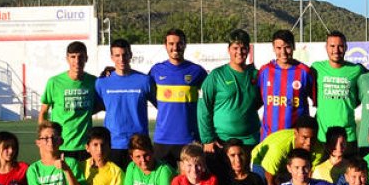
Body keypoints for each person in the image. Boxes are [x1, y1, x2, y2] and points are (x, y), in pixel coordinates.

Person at [197, 29, 261, 162]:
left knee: (249, 180)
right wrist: (208, 139)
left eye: (243, 48)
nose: (239, 52)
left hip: (251, 141)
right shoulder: (217, 75)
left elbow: (259, 102)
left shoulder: (256, 75)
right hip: (222, 141)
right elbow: (204, 108)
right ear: (229, 50)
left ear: (248, 49)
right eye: (235, 48)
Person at [149, 28, 208, 166]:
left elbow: (209, 99)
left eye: (179, 43)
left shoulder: (197, 71)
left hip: (189, 139)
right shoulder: (156, 70)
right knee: (163, 184)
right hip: (162, 139)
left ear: (185, 44)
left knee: (191, 181)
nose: (175, 47)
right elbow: (146, 91)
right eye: (171, 43)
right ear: (165, 46)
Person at [39, 41, 101, 160]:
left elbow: (102, 105)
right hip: (60, 145)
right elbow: (43, 112)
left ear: (86, 58)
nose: (77, 61)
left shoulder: (94, 82)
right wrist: (43, 140)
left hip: (85, 146)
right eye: (73, 57)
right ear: (67, 59)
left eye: (80, 57)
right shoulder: (54, 82)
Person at [95, 38, 151, 168]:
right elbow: (98, 106)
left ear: (130, 55)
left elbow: (162, 105)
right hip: (112, 144)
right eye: (117, 55)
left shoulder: (145, 81)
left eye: (125, 54)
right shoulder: (102, 82)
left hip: (139, 145)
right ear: (112, 57)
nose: (121, 59)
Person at [257, 29, 316, 139]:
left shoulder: (305, 72)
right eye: (279, 48)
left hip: (295, 138)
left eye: (287, 47)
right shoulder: (265, 71)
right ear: (273, 48)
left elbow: (317, 102)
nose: (283, 52)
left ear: (293, 47)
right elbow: (257, 101)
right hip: (269, 139)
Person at [312, 30, 367, 145]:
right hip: (323, 135)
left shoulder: (356, 69)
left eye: (340, 46)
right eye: (332, 46)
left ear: (346, 47)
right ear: (326, 47)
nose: (336, 50)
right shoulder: (316, 68)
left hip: (348, 135)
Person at [254, 116, 324, 185]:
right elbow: (270, 182)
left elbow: (309, 177)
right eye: (304, 138)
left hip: (287, 164)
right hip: (262, 161)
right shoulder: (279, 148)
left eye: (313, 138)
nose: (309, 143)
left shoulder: (319, 149)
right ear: (295, 133)